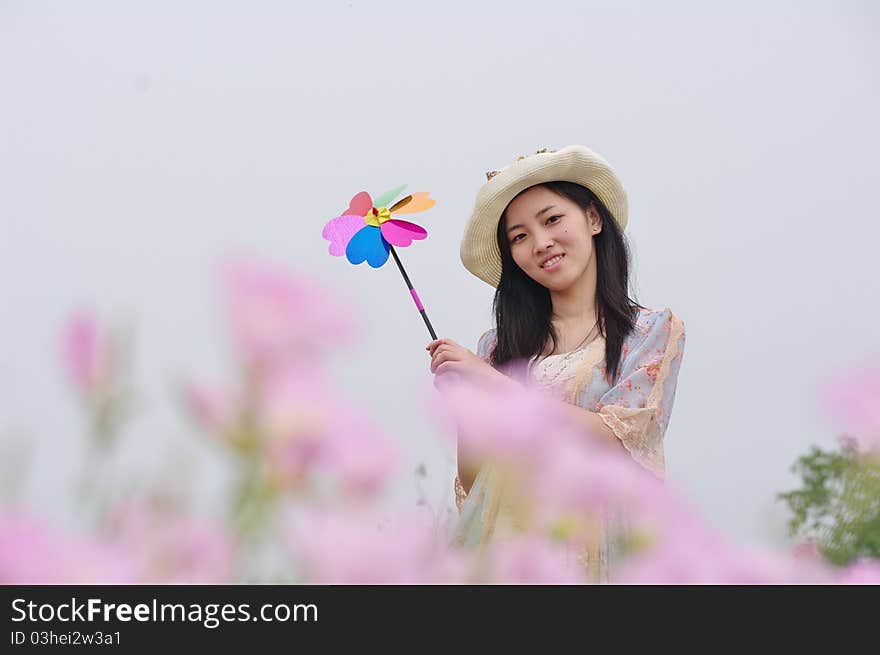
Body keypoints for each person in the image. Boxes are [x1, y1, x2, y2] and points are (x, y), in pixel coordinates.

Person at [426, 145, 686, 581]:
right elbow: (476, 485)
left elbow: (619, 441)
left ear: (593, 218)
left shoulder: (649, 333)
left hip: (595, 544)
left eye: (551, 220)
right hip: (508, 549)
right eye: (519, 237)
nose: (541, 243)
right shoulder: (496, 348)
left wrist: (493, 386)